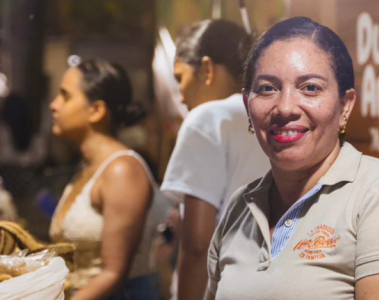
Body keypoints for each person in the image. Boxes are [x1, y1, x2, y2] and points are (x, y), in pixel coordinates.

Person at [205, 17, 379, 300]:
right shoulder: (240, 207)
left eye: (310, 88)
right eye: (267, 88)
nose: (285, 107)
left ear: (345, 106)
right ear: (248, 106)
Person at [160, 19, 270, 300]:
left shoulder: (206, 119)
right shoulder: (273, 116)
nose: (180, 95)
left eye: (180, 78)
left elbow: (198, 245)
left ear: (207, 69)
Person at [49, 57, 161, 300]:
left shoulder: (122, 170)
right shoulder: (88, 167)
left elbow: (113, 274)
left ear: (96, 110)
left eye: (65, 96)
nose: (53, 105)